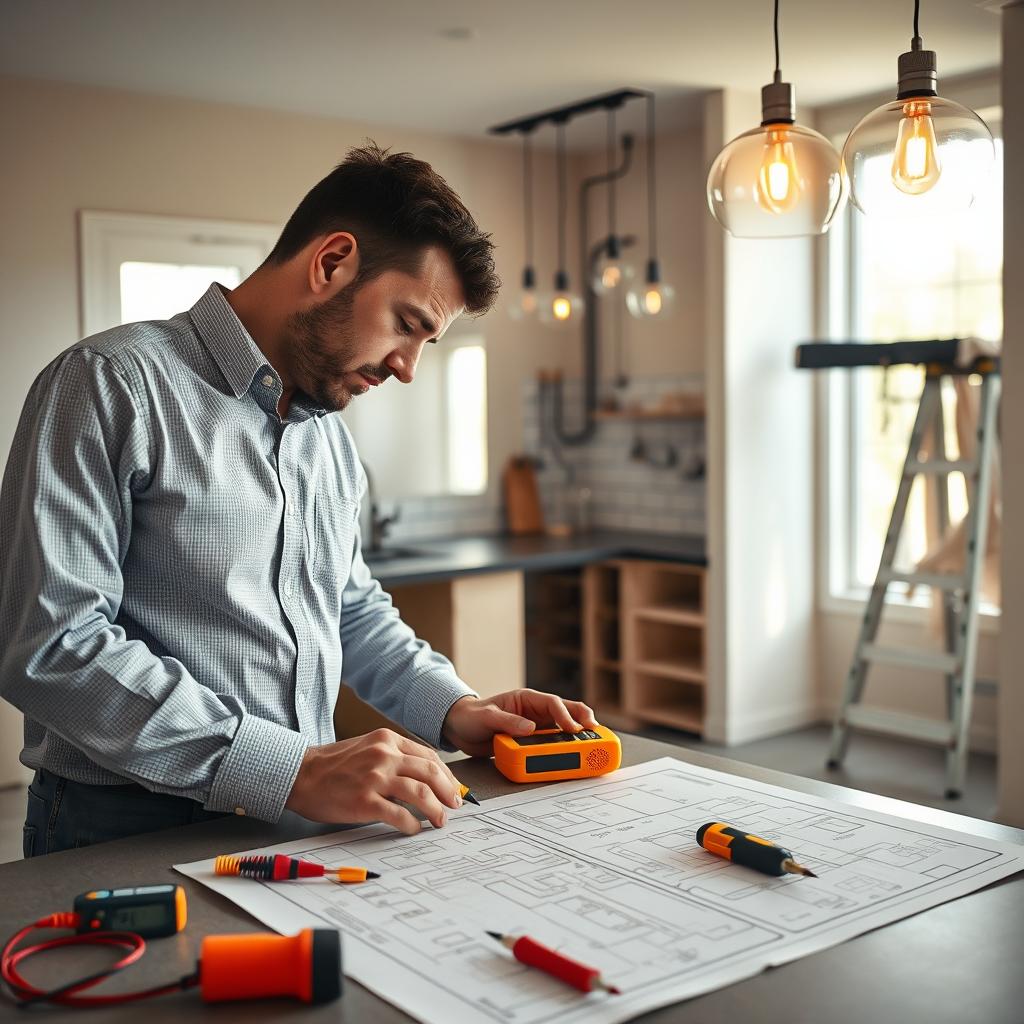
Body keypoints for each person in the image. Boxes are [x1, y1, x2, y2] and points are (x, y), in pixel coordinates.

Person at [0, 142, 596, 856]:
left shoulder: (329, 441)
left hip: (305, 815)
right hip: (125, 822)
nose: (408, 368)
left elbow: (348, 610)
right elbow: (52, 643)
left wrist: (458, 709)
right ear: (332, 263)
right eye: (408, 324)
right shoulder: (108, 384)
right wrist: (287, 769)